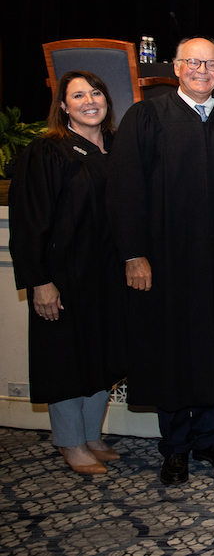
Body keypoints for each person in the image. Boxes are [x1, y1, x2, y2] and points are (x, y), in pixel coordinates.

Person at [107, 36, 214, 485]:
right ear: (175, 67)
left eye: (211, 65)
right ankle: (175, 447)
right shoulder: (146, 117)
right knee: (171, 351)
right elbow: (125, 190)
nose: (202, 71)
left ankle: (209, 438)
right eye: (193, 62)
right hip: (165, 261)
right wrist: (134, 254)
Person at [9, 71, 126, 475]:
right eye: (78, 96)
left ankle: (91, 435)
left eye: (96, 93)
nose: (89, 101)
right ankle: (70, 441)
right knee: (65, 360)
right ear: (63, 106)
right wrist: (39, 281)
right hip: (62, 278)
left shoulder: (117, 148)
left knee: (102, 357)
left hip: (107, 276)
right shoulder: (47, 151)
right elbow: (29, 222)